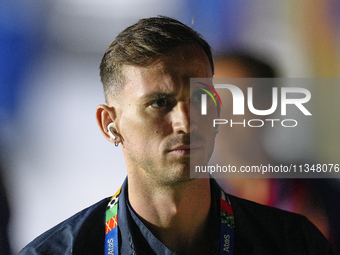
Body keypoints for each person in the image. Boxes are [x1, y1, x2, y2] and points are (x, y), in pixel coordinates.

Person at [18, 16, 334, 255]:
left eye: (200, 100)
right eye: (160, 103)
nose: (185, 122)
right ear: (110, 124)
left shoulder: (292, 242)